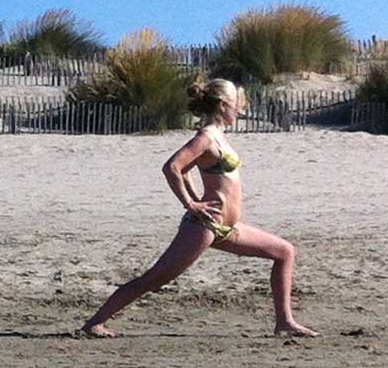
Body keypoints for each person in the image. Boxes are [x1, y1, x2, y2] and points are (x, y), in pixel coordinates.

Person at [80, 76, 314, 338]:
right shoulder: (206, 137)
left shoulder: (219, 137)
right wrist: (191, 203)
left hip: (228, 227)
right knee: (155, 278)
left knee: (284, 252)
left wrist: (194, 195)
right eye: (236, 104)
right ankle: (94, 323)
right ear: (223, 105)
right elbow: (173, 167)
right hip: (204, 226)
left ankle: (284, 322)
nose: (240, 110)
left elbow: (187, 171)